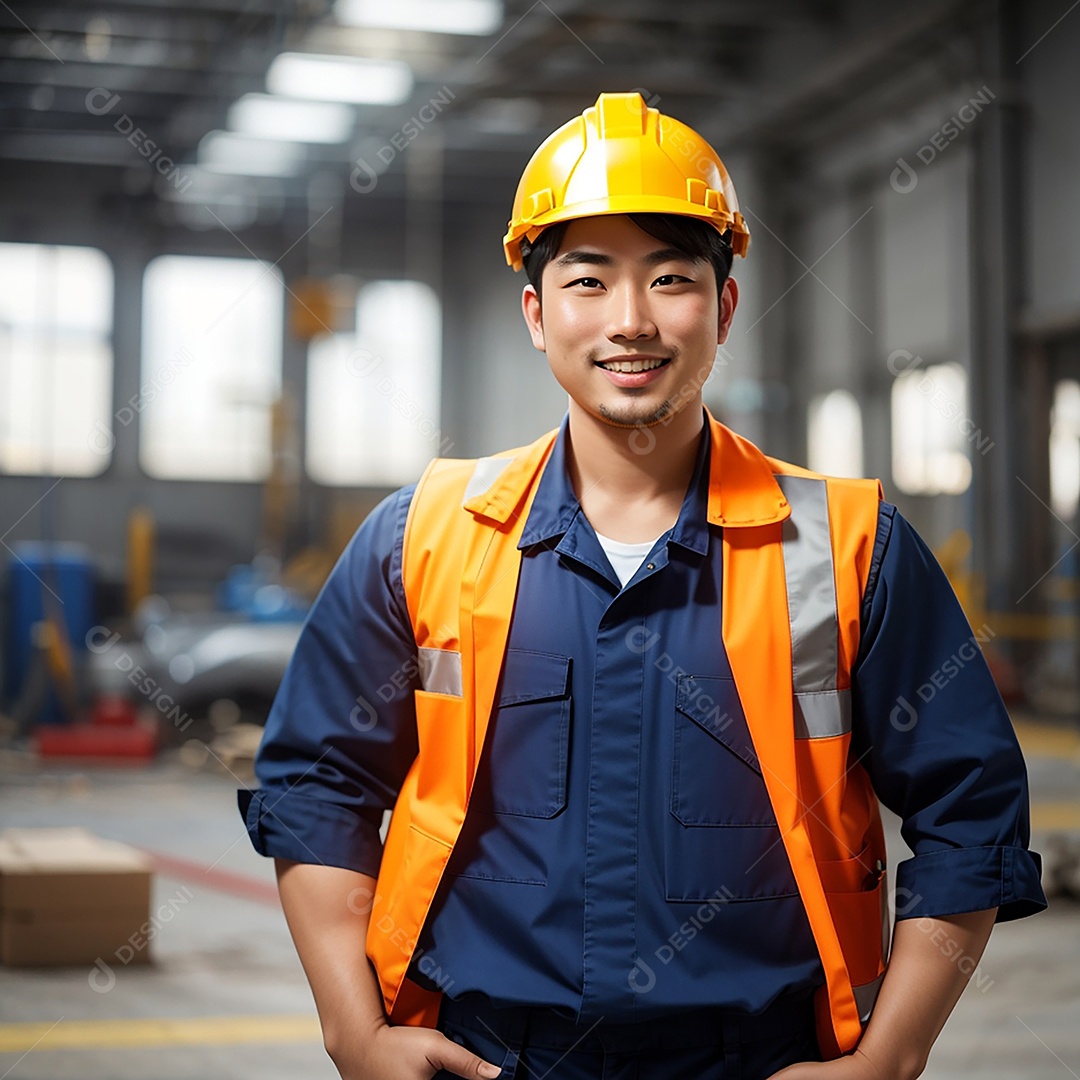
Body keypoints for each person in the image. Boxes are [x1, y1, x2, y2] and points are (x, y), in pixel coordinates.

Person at [239, 92, 1046, 1080]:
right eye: (587, 280)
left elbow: (972, 815)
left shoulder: (849, 545)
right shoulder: (423, 538)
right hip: (488, 1054)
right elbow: (317, 785)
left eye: (671, 279)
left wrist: (891, 1059)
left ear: (725, 306)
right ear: (537, 313)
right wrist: (351, 1032)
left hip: (759, 1056)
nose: (630, 321)